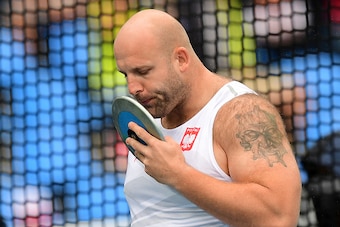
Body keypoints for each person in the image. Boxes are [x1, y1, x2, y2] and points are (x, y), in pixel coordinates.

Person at [113, 9, 301, 227]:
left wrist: (178, 175)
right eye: (126, 75)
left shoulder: (242, 113)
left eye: (143, 71)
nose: (133, 88)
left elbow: (279, 217)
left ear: (181, 59)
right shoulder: (147, 113)